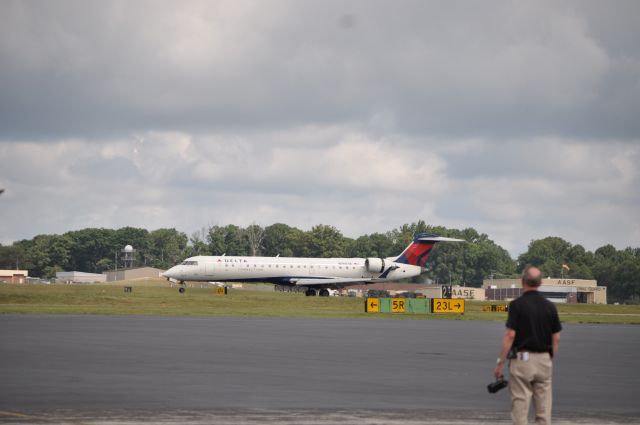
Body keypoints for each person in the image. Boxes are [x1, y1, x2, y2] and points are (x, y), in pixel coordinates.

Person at [494, 265, 562, 425]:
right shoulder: (550, 306)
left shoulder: (517, 305)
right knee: (543, 412)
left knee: (520, 408)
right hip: (544, 360)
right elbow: (556, 337)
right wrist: (549, 357)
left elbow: (510, 335)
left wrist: (500, 363)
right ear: (540, 283)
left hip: (522, 360)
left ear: (522, 281)